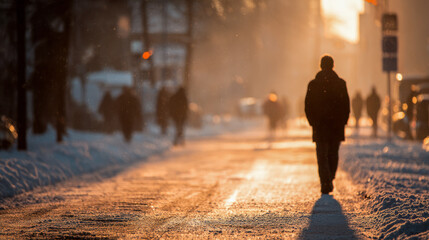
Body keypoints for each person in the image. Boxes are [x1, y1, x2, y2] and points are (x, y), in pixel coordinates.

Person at [305, 55, 350, 194]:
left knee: (321, 154)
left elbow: (308, 106)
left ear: (320, 65)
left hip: (320, 126)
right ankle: (330, 177)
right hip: (336, 125)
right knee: (333, 153)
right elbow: (346, 105)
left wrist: (313, 121)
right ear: (333, 65)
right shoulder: (340, 83)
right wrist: (343, 121)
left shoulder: (313, 84)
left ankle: (325, 181)